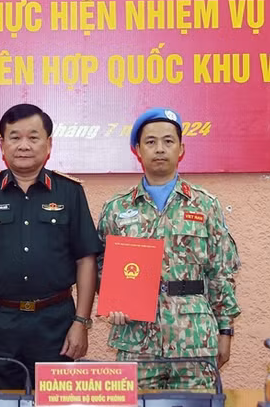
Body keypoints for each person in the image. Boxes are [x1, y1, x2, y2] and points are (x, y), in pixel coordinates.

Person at [0, 103, 102, 389]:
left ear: (48, 144)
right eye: (15, 137)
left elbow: (86, 259)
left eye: (33, 137)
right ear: (2, 144)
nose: (24, 145)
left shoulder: (70, 192)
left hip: (56, 323)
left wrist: (81, 323)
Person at [96, 108, 241, 390]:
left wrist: (225, 331)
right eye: (150, 142)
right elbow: (101, 265)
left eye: (168, 141)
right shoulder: (117, 208)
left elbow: (221, 272)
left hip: (194, 336)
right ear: (137, 150)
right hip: (136, 338)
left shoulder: (204, 204)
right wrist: (113, 303)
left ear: (181, 148)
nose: (159, 149)